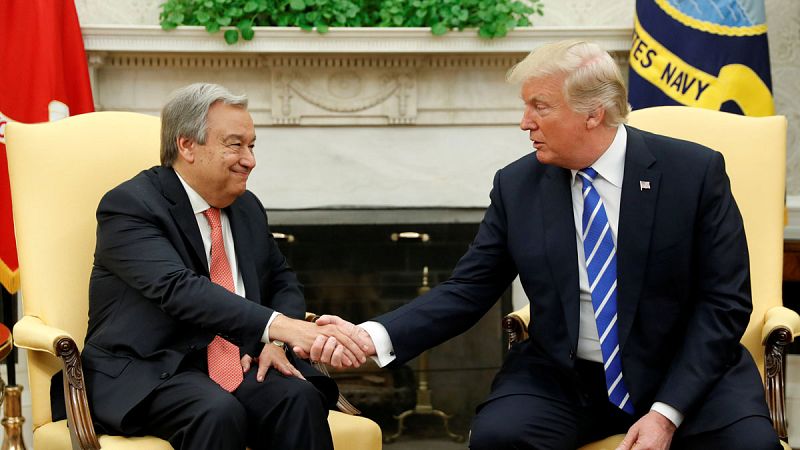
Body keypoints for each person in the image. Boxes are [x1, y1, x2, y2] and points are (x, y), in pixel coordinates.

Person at [307, 40, 782, 449]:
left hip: (683, 373)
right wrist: (371, 336)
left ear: (593, 112)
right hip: (567, 377)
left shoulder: (693, 174)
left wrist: (665, 413)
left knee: (749, 444)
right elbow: (468, 289)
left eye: (540, 106)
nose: (524, 122)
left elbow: (724, 304)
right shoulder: (518, 186)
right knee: (500, 437)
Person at [74, 83, 368, 450]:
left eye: (252, 145)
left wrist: (275, 340)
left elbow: (282, 280)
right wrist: (282, 327)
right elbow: (177, 287)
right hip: (153, 368)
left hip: (238, 360)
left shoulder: (247, 207)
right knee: (216, 410)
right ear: (187, 145)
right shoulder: (130, 205)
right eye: (235, 144)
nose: (250, 159)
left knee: (299, 398)